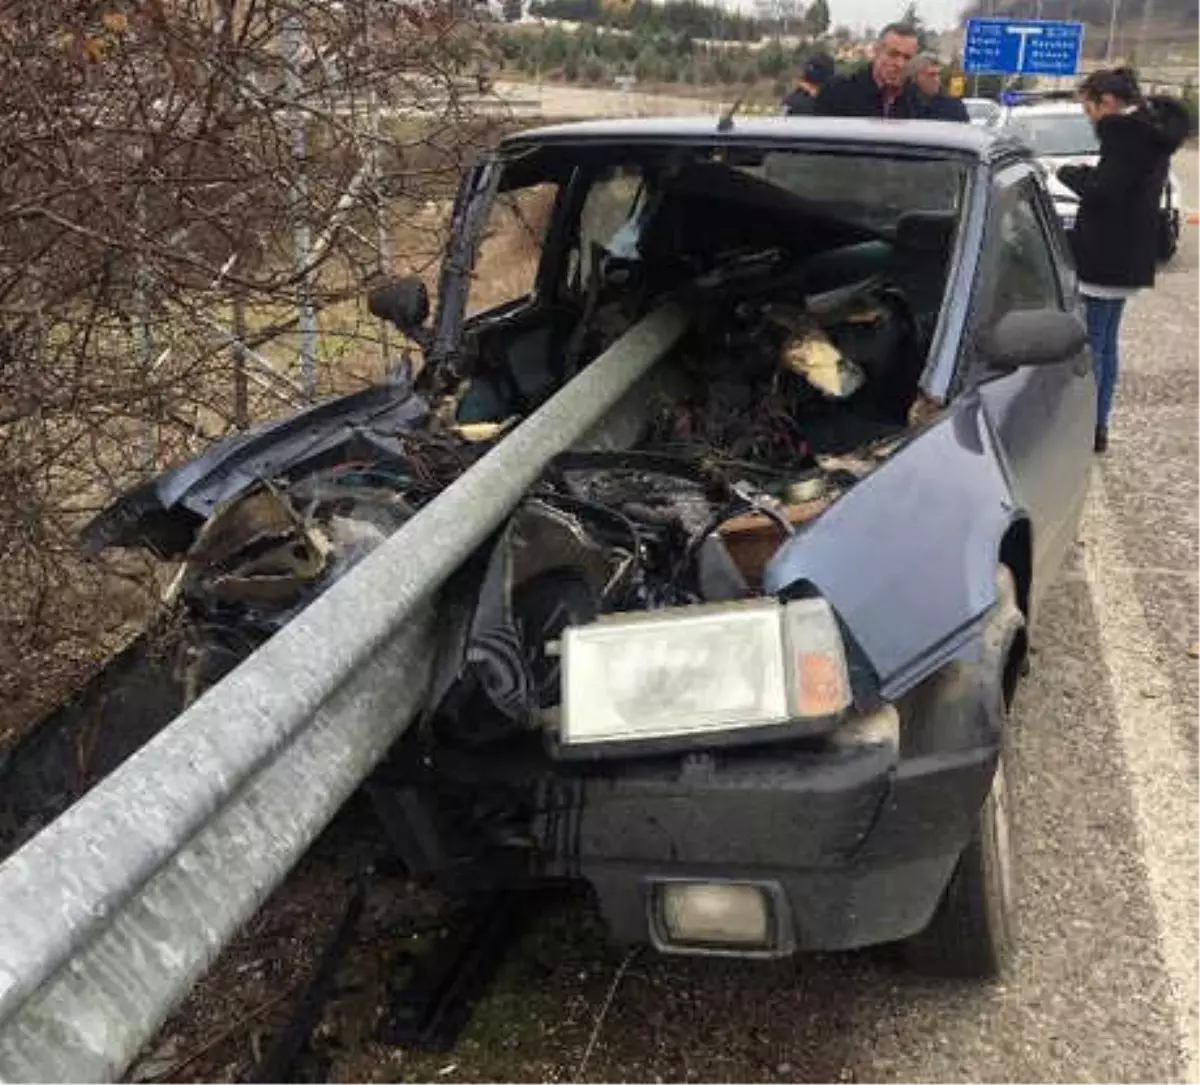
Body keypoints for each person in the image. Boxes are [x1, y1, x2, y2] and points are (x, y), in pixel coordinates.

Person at [1055, 67, 1190, 453]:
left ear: (1108, 102)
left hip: (1103, 255)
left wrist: (1070, 175)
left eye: (1089, 108)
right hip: (1128, 255)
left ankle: (1089, 427)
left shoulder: (1122, 133)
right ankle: (1099, 423)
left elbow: (1105, 194)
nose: (1089, 116)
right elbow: (1123, 186)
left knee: (1094, 344)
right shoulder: (1151, 132)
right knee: (1107, 343)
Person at [815, 23, 919, 119]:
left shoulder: (917, 101)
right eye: (893, 55)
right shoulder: (838, 93)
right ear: (876, 51)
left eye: (907, 58)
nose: (900, 64)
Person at [908, 53, 969, 122]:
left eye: (938, 75)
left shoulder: (954, 106)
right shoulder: (903, 104)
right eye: (931, 75)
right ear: (916, 77)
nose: (936, 79)